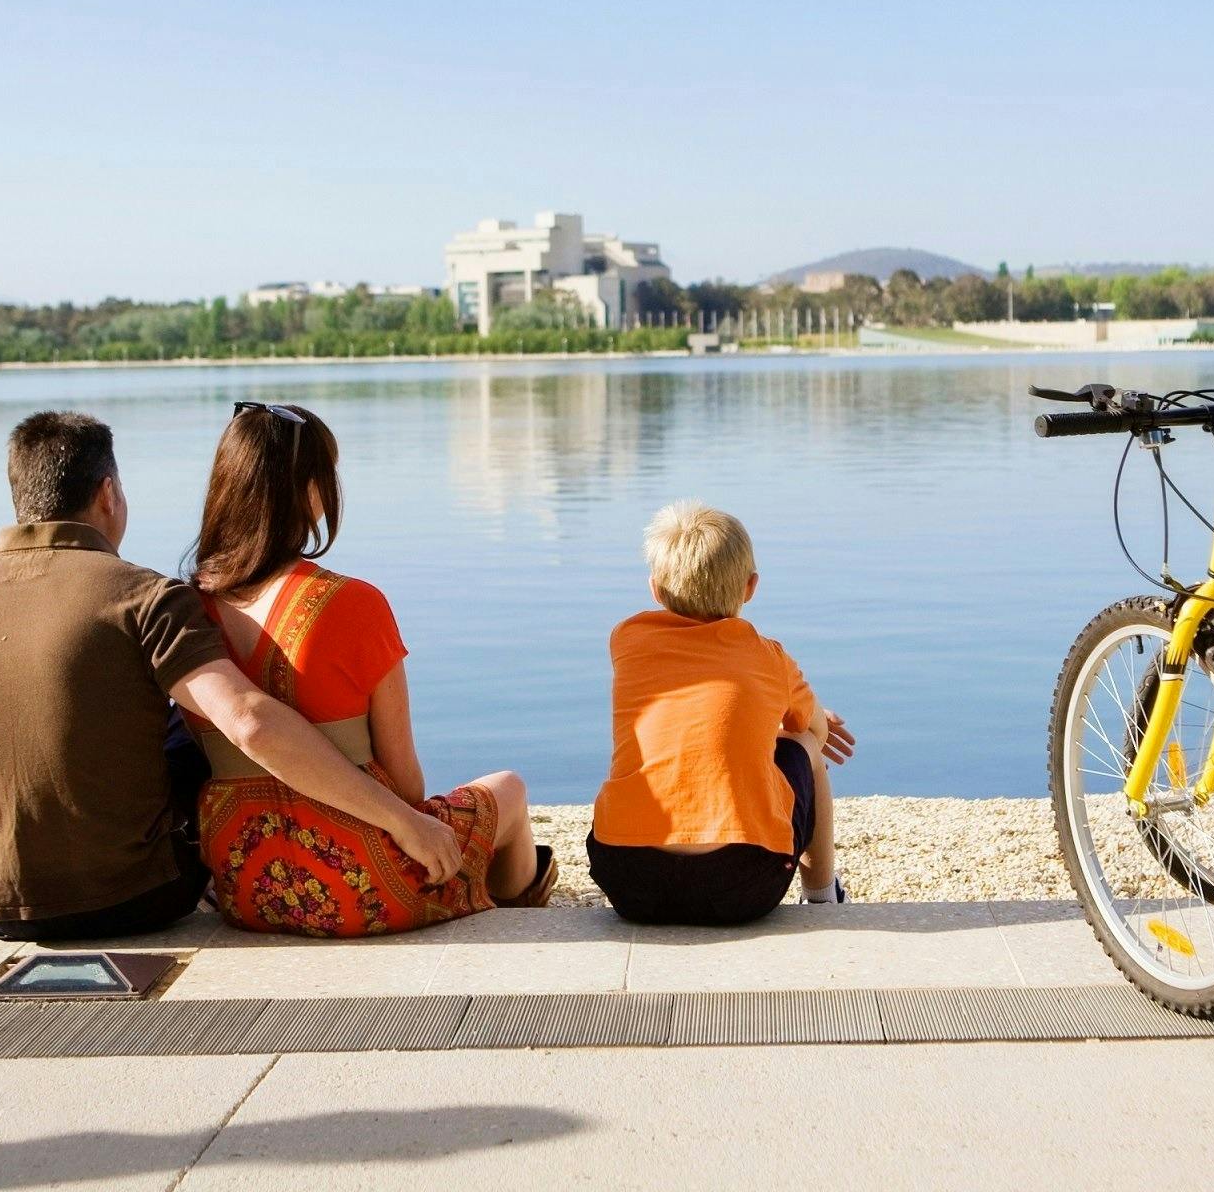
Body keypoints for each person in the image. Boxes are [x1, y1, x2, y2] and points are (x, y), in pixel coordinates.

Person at [0, 410, 466, 942]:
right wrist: (402, 819)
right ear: (109, 494)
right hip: (127, 898)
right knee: (185, 729)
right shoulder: (138, 595)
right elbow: (249, 723)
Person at [187, 401, 553, 935]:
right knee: (510, 790)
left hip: (247, 885)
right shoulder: (354, 604)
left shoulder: (184, 613)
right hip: (361, 884)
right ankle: (519, 922)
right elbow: (406, 786)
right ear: (309, 491)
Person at [586, 500, 855, 925]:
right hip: (742, 885)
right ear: (750, 587)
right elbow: (814, 732)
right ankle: (822, 896)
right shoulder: (769, 658)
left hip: (629, 880)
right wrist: (807, 717)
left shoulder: (627, 640)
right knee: (801, 744)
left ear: (655, 589)